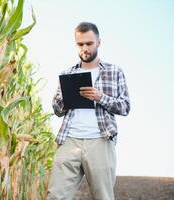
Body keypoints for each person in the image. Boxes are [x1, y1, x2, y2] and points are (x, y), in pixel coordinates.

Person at [47, 22, 130, 200]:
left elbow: (125, 106)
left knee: (103, 196)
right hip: (69, 140)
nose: (85, 48)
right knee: (55, 196)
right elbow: (57, 109)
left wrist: (100, 97)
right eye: (80, 44)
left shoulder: (114, 72)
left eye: (89, 43)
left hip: (101, 140)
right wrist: (67, 99)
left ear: (99, 42)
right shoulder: (67, 73)